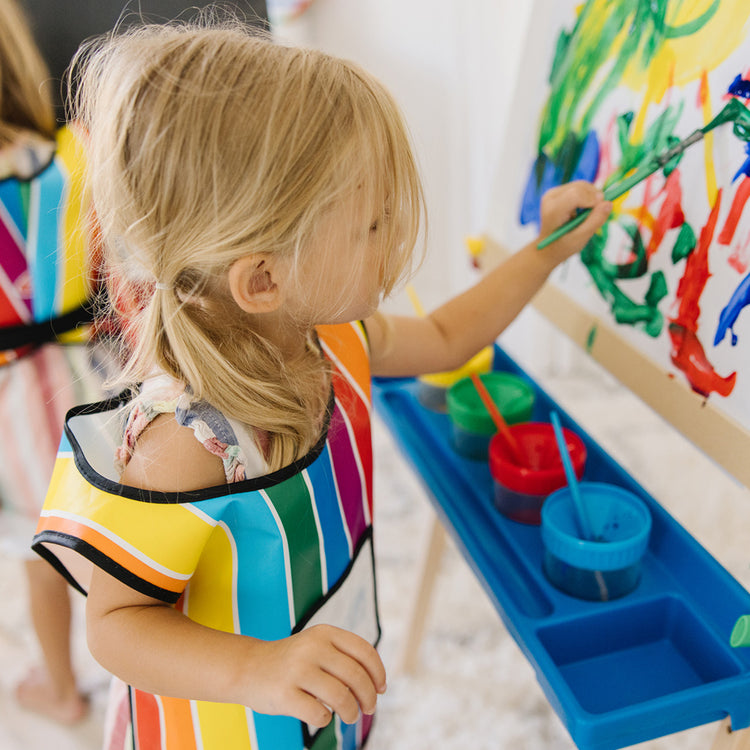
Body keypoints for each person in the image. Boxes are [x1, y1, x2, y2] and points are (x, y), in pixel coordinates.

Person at [31, 16, 611, 750]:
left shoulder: (334, 337)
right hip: (221, 729)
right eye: (370, 226)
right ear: (263, 279)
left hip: (311, 694)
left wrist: (545, 252)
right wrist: (259, 669)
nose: (394, 235)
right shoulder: (184, 439)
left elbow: (447, 337)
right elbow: (116, 628)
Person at [0, 0, 111, 725]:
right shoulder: (77, 152)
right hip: (96, 377)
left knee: (42, 554)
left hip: (15, 407)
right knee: (113, 524)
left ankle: (66, 693)